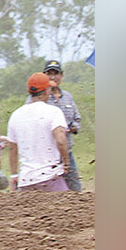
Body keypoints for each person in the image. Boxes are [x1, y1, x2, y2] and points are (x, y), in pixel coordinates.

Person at [7, 73, 72, 191]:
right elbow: (61, 140)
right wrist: (66, 163)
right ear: (47, 91)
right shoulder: (53, 111)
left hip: (26, 180)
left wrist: (14, 175)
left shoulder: (16, 115)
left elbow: (12, 148)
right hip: (50, 176)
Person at [42, 60, 83, 191]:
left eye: (56, 73)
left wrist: (73, 127)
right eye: (49, 74)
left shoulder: (67, 97)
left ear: (61, 75)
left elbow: (77, 118)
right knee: (45, 188)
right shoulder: (40, 97)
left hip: (66, 150)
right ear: (44, 75)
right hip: (46, 152)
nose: (53, 77)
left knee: (75, 188)